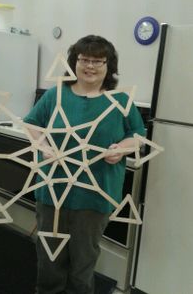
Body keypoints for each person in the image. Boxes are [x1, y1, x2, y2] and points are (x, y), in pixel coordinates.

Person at [24, 35, 145, 294]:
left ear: (108, 66)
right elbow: (32, 124)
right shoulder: (56, 95)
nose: (90, 66)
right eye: (84, 59)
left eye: (98, 61)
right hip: (52, 191)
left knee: (83, 262)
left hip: (95, 194)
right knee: (49, 259)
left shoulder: (120, 102)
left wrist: (121, 150)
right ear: (74, 62)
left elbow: (138, 134)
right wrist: (44, 145)